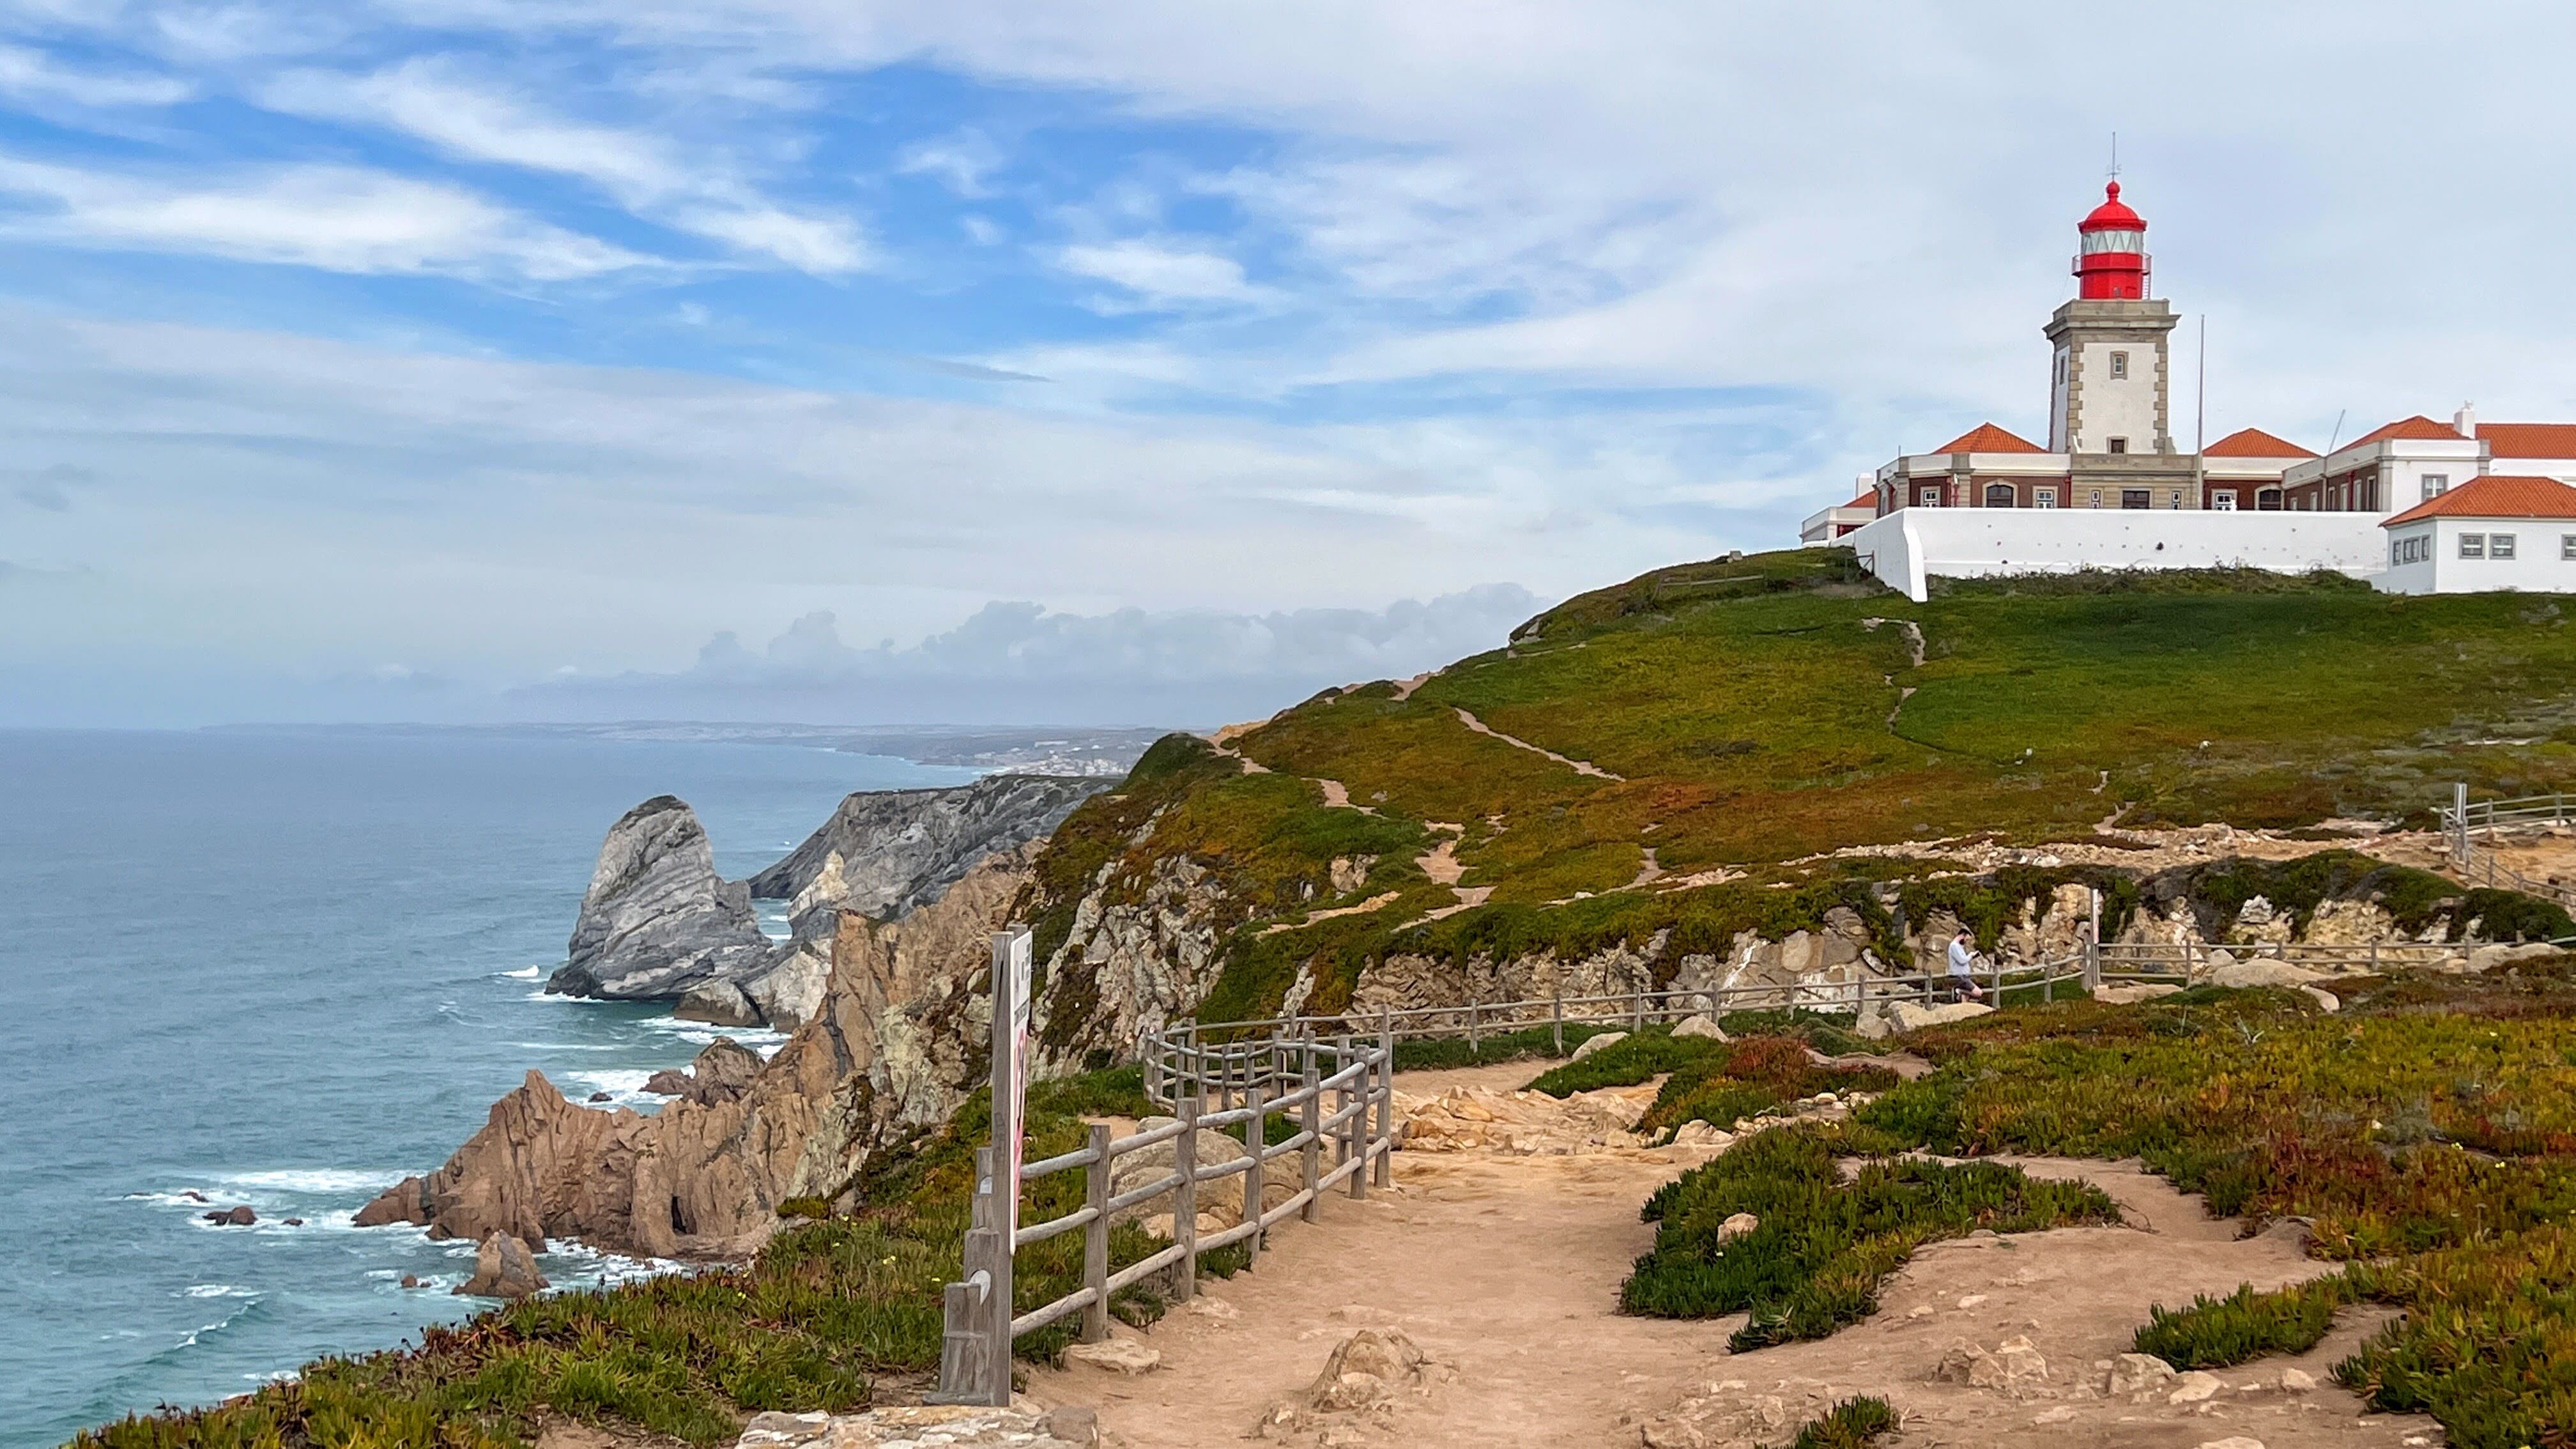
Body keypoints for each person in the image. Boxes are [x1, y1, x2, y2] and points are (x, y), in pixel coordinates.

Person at [1943, 930, 1987, 1003]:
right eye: (1966, 939)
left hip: (1964, 976)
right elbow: (1962, 960)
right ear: (1963, 935)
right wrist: (1971, 955)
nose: (1966, 942)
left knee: (1965, 999)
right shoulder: (1954, 946)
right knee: (1979, 993)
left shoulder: (1959, 947)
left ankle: (1962, 996)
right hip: (1960, 976)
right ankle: (1959, 991)